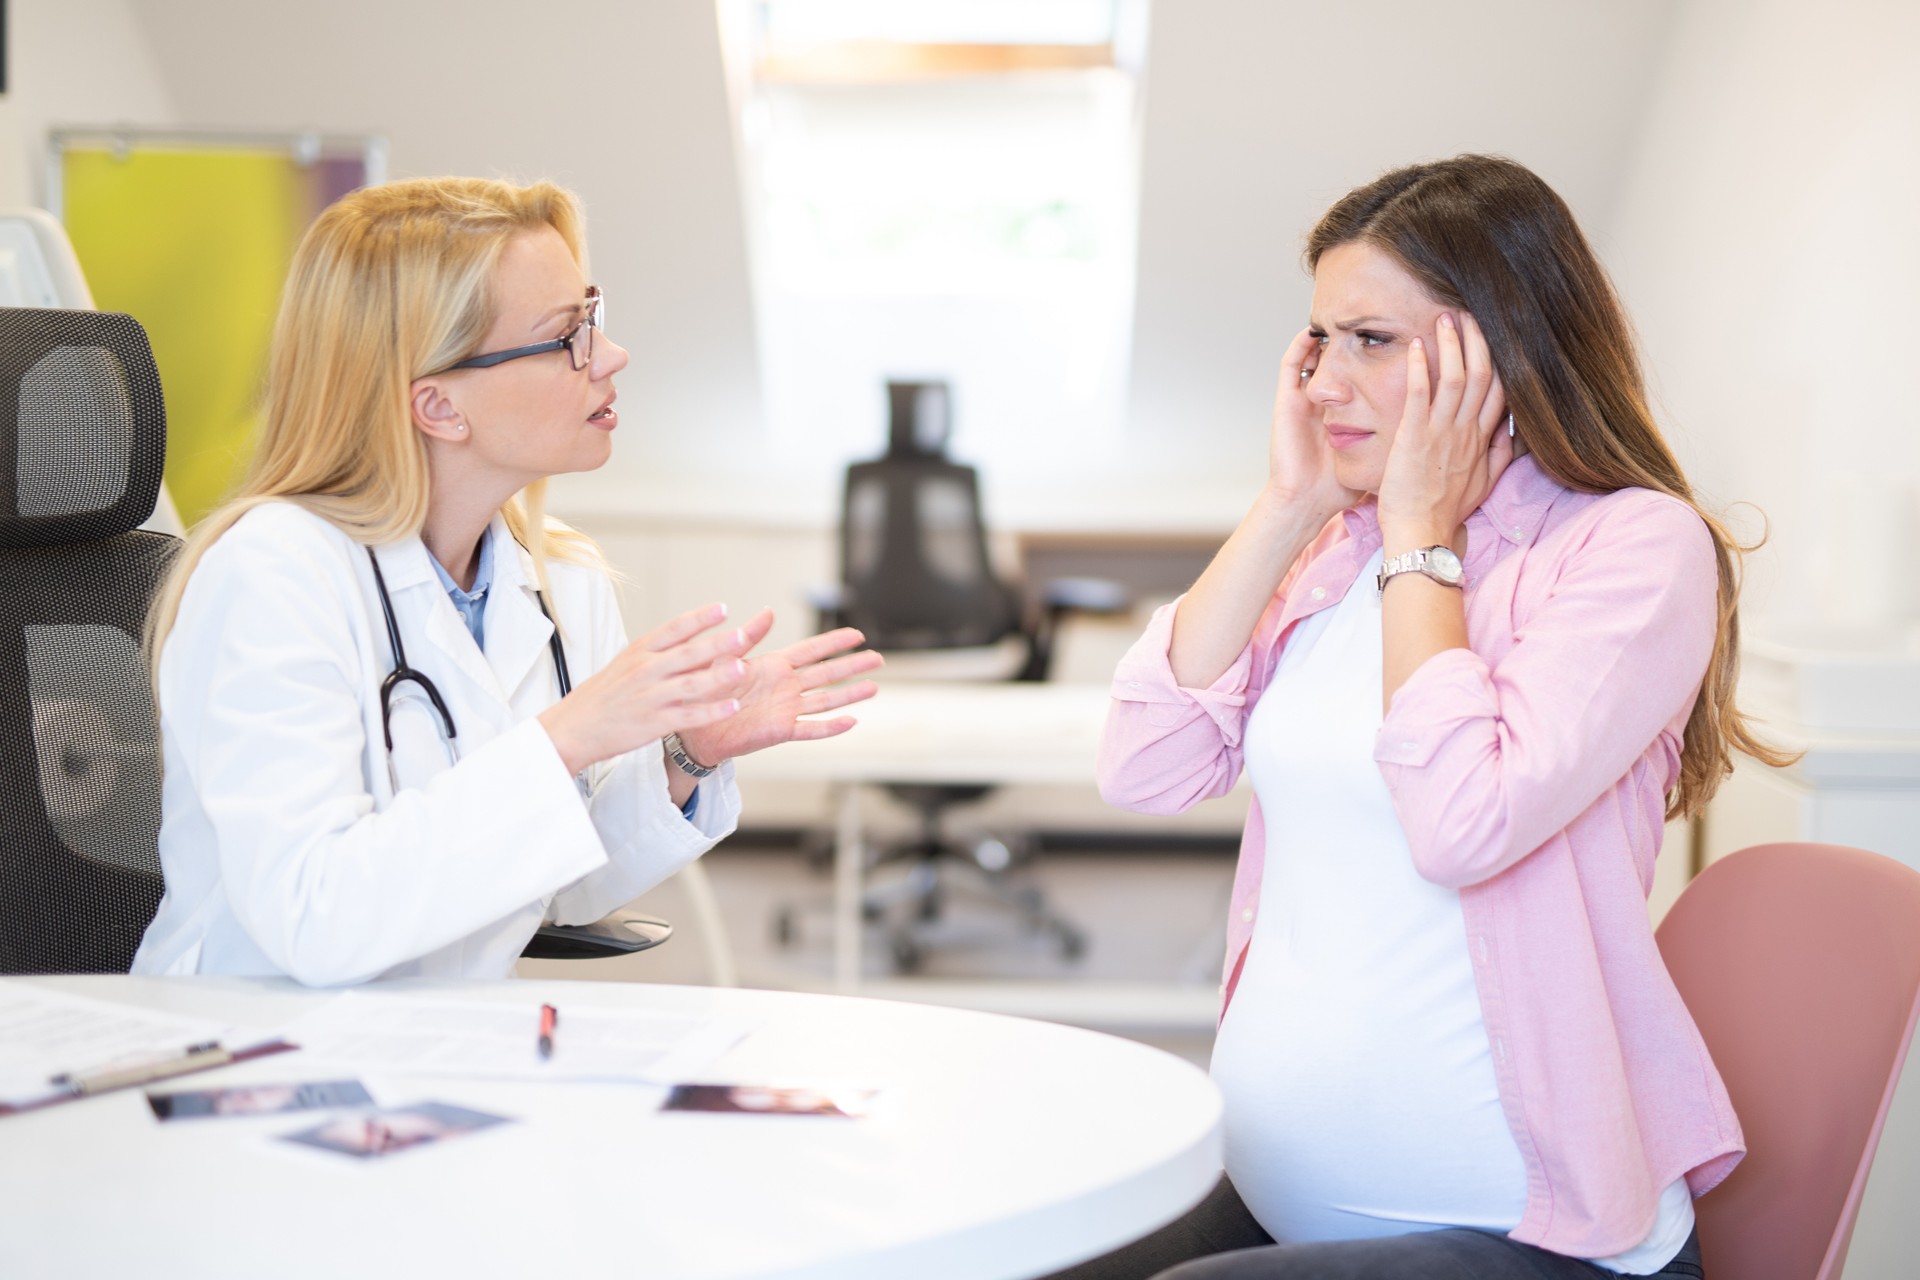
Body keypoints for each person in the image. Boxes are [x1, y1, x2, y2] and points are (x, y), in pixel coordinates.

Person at [1077, 155, 1792, 1279]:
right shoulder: (1336, 544)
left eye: (1371, 339)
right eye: (1318, 340)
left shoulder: (1633, 546)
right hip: (1278, 1198)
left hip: (1538, 1239)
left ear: (1499, 351)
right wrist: (1289, 503)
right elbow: (1144, 763)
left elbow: (1462, 820)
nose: (1321, 381)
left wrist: (1422, 529)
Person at [132, 177, 881, 987]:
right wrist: (569, 736)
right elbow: (315, 918)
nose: (613, 355)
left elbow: (554, 887)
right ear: (439, 408)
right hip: (249, 1058)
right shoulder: (273, 575)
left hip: (439, 1050)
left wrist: (686, 755)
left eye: (592, 318)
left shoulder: (558, 579)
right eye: (568, 337)